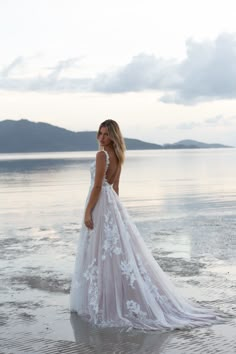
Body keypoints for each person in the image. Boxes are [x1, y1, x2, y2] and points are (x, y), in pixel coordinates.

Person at [70, 119, 226, 331]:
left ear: (113, 136)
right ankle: (110, 298)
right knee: (113, 254)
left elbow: (98, 185)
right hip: (111, 206)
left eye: (106, 134)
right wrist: (116, 214)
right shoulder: (118, 156)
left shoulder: (102, 155)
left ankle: (104, 302)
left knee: (100, 254)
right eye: (100, 133)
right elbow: (115, 188)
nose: (101, 138)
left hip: (100, 204)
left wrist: (88, 211)